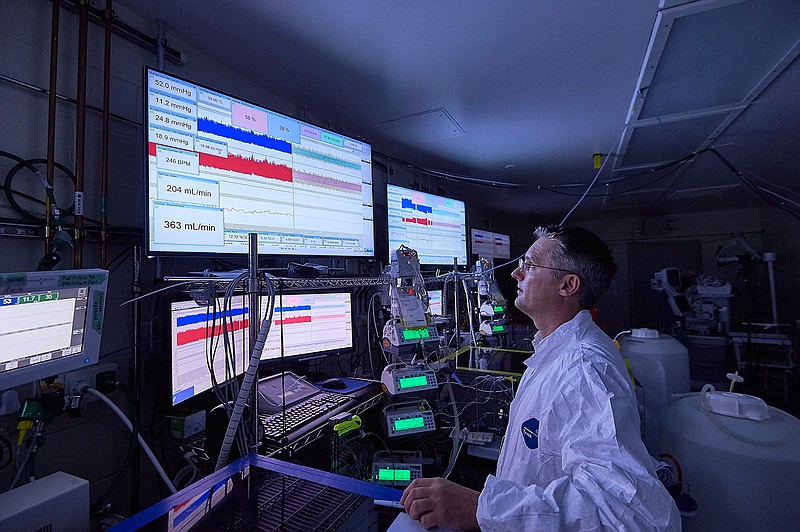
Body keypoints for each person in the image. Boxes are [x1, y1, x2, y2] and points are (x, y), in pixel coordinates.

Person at [400, 225, 681, 531]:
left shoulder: (584, 369)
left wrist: (483, 508)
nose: (515, 274)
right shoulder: (557, 351)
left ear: (567, 285)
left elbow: (628, 513)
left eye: (530, 265)